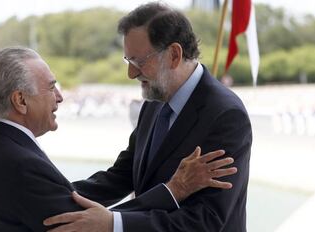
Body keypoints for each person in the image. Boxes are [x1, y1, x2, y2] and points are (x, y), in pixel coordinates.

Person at [0, 47, 237, 231]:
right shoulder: (17, 163)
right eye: (50, 87)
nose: (60, 96)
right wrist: (173, 190)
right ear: (20, 100)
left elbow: (73, 201)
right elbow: (87, 225)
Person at [44, 2, 252, 232]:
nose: (131, 73)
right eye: (128, 61)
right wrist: (55, 198)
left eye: (139, 62)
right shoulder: (154, 101)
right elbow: (122, 175)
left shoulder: (225, 115)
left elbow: (206, 220)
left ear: (174, 54)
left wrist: (114, 224)